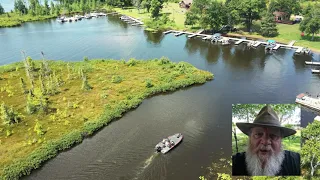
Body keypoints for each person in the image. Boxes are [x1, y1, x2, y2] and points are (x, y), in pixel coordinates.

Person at [232, 105, 301, 176]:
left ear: (281, 141)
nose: (265, 142)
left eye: (273, 135)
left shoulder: (295, 162)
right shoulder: (234, 163)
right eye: (258, 134)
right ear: (250, 138)